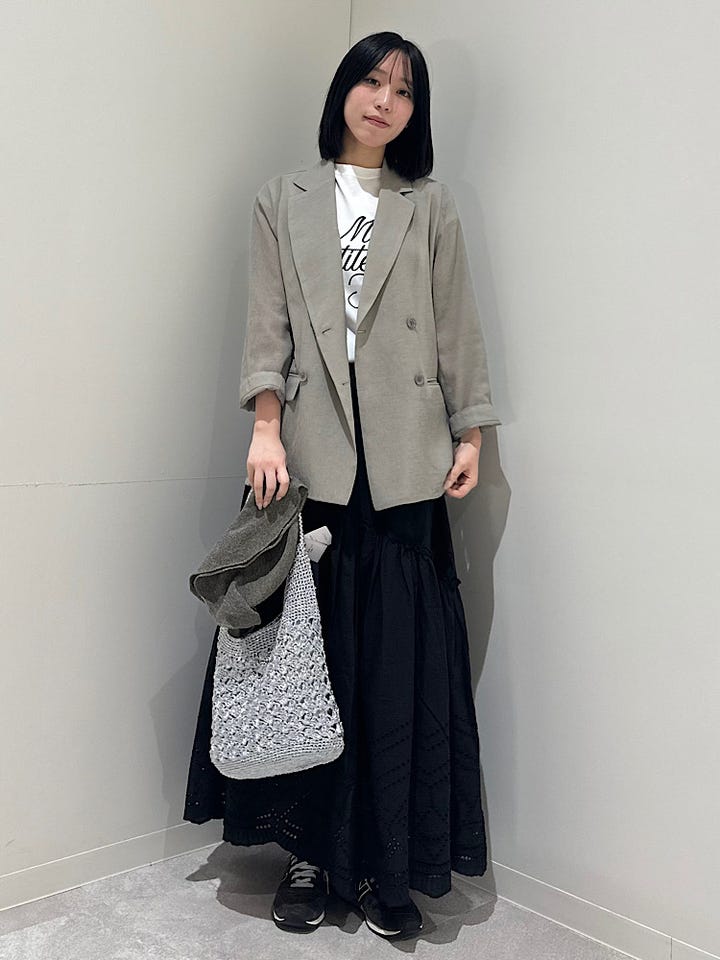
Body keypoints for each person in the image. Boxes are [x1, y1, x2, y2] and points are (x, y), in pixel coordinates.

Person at [183, 30, 502, 942]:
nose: (384, 100)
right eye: (371, 80)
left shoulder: (428, 205)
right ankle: (311, 859)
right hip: (310, 455)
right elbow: (269, 323)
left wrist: (471, 428)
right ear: (344, 92)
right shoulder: (282, 198)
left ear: (415, 112)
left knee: (393, 669)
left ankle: (386, 864)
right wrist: (265, 425)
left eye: (403, 89)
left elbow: (456, 324)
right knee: (305, 664)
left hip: (406, 457)